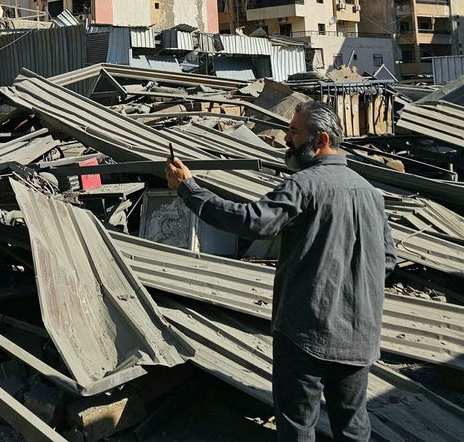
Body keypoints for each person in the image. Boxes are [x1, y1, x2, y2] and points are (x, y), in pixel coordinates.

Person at [164, 101, 396, 442]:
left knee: (298, 428)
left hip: (306, 335)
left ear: (321, 140)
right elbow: (388, 260)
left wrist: (189, 189)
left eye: (294, 132)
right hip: (359, 336)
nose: (286, 138)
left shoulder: (304, 185)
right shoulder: (370, 193)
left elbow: (251, 221)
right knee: (353, 429)